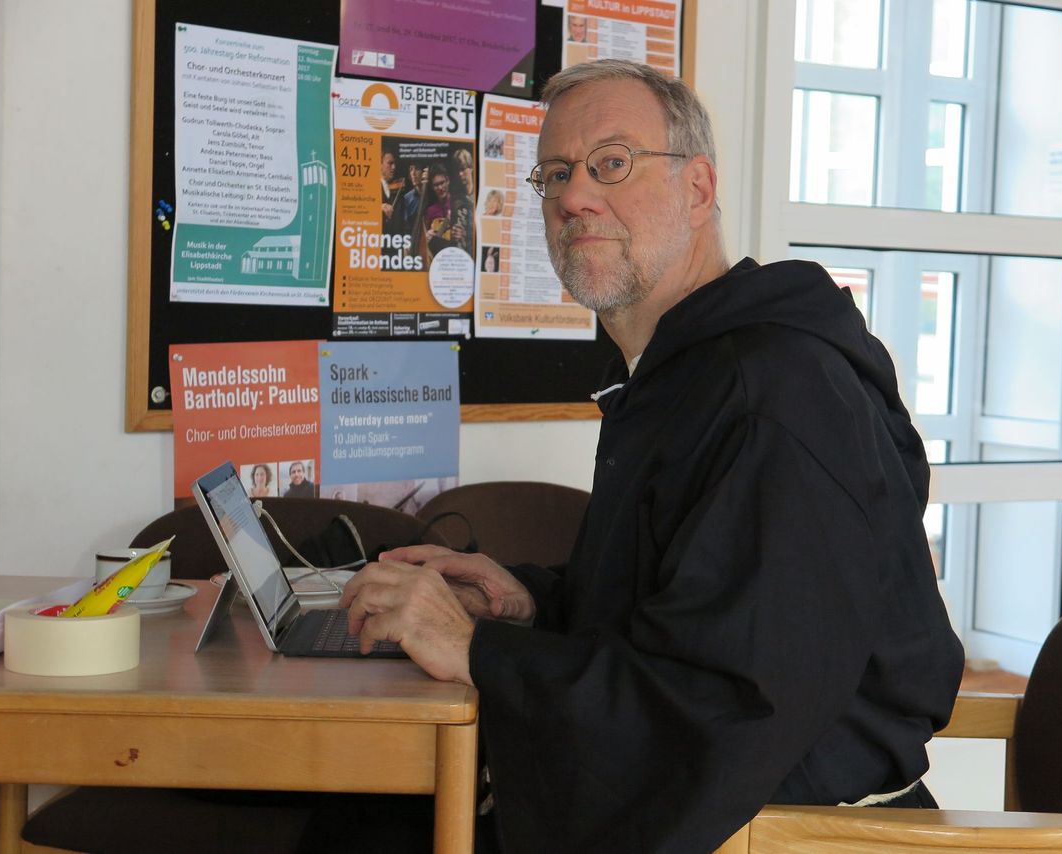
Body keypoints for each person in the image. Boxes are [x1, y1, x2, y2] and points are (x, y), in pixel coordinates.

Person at [332, 59, 963, 853]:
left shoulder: (771, 392)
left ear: (697, 189)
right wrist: (534, 608)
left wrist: (479, 651)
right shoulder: (681, 374)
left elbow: (726, 705)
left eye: (612, 163)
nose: (573, 197)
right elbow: (686, 616)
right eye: (555, 174)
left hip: (792, 836)